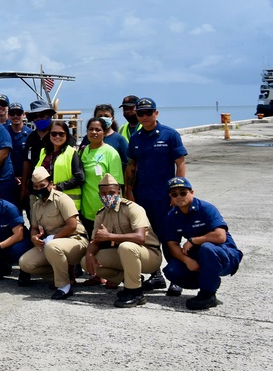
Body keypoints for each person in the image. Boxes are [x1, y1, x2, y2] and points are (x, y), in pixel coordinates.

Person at [125, 97, 188, 296]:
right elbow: (132, 166)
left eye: (148, 112)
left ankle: (177, 279)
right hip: (143, 197)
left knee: (170, 239)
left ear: (156, 113)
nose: (144, 116)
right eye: (140, 113)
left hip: (165, 198)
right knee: (148, 239)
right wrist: (128, 191)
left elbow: (180, 163)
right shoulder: (135, 138)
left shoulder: (170, 135)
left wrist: (178, 193)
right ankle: (156, 275)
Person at [163, 177, 243, 310]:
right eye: (174, 194)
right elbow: (172, 244)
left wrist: (194, 240)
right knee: (172, 270)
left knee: (207, 248)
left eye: (183, 192)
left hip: (225, 254)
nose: (179, 197)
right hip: (200, 255)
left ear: (191, 192)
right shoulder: (173, 216)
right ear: (170, 197)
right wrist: (187, 260)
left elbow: (220, 236)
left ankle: (208, 294)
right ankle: (210, 281)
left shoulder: (206, 208)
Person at [83, 174, 162, 307]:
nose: (107, 196)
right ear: (99, 194)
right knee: (86, 262)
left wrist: (109, 237)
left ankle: (135, 293)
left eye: (111, 192)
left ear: (119, 191)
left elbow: (140, 238)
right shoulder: (101, 214)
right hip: (126, 254)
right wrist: (89, 254)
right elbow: (95, 241)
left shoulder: (132, 208)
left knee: (126, 247)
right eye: (103, 193)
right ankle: (131, 279)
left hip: (149, 254)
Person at [18, 166, 89, 299]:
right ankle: (63, 273)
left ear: (50, 184)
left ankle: (64, 286)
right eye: (36, 186)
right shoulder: (37, 205)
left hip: (75, 241)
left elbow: (72, 225)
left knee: (52, 246)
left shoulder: (61, 199)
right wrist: (34, 237)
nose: (39, 189)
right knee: (25, 263)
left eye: (42, 185)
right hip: (52, 245)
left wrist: (54, 237)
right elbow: (34, 227)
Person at [78, 117, 124, 230]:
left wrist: (111, 208)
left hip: (106, 210)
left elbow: (116, 184)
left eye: (98, 130)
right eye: (91, 129)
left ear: (104, 133)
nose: (94, 132)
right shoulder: (83, 151)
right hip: (86, 210)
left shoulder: (111, 153)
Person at [34, 120, 84, 210]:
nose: (57, 137)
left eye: (61, 134)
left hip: (67, 204)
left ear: (66, 135)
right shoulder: (43, 152)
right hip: (45, 201)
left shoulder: (72, 153)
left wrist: (58, 187)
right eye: (54, 134)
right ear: (49, 135)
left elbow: (80, 177)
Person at [20, 100, 54, 205]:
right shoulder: (31, 137)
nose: (38, 118)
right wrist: (24, 186)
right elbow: (27, 161)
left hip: (53, 187)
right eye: (35, 116)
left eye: (42, 115)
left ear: (49, 115)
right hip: (34, 187)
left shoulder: (58, 134)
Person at [6, 102, 31, 184]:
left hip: (27, 178)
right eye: (12, 114)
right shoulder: (3, 133)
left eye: (18, 113)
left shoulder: (31, 134)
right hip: (8, 178)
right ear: (8, 115)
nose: (15, 116)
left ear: (23, 114)